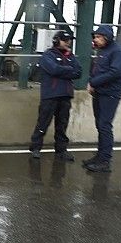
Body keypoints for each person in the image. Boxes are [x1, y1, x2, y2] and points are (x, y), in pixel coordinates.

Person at [84, 24, 121, 173]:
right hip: (100, 92)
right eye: (95, 37)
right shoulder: (103, 51)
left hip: (110, 93)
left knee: (105, 125)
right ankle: (99, 156)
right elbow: (97, 70)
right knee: (100, 124)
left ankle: (105, 160)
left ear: (107, 38)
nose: (96, 40)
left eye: (99, 37)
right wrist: (92, 82)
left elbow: (115, 72)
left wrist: (94, 82)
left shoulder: (119, 52)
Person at [29, 30, 82, 161]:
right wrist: (69, 70)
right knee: (43, 122)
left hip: (65, 94)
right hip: (50, 95)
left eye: (69, 40)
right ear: (57, 41)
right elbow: (53, 69)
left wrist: (64, 70)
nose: (68, 43)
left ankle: (61, 150)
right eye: (65, 40)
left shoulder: (71, 56)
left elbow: (79, 72)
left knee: (62, 124)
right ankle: (35, 148)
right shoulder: (48, 55)